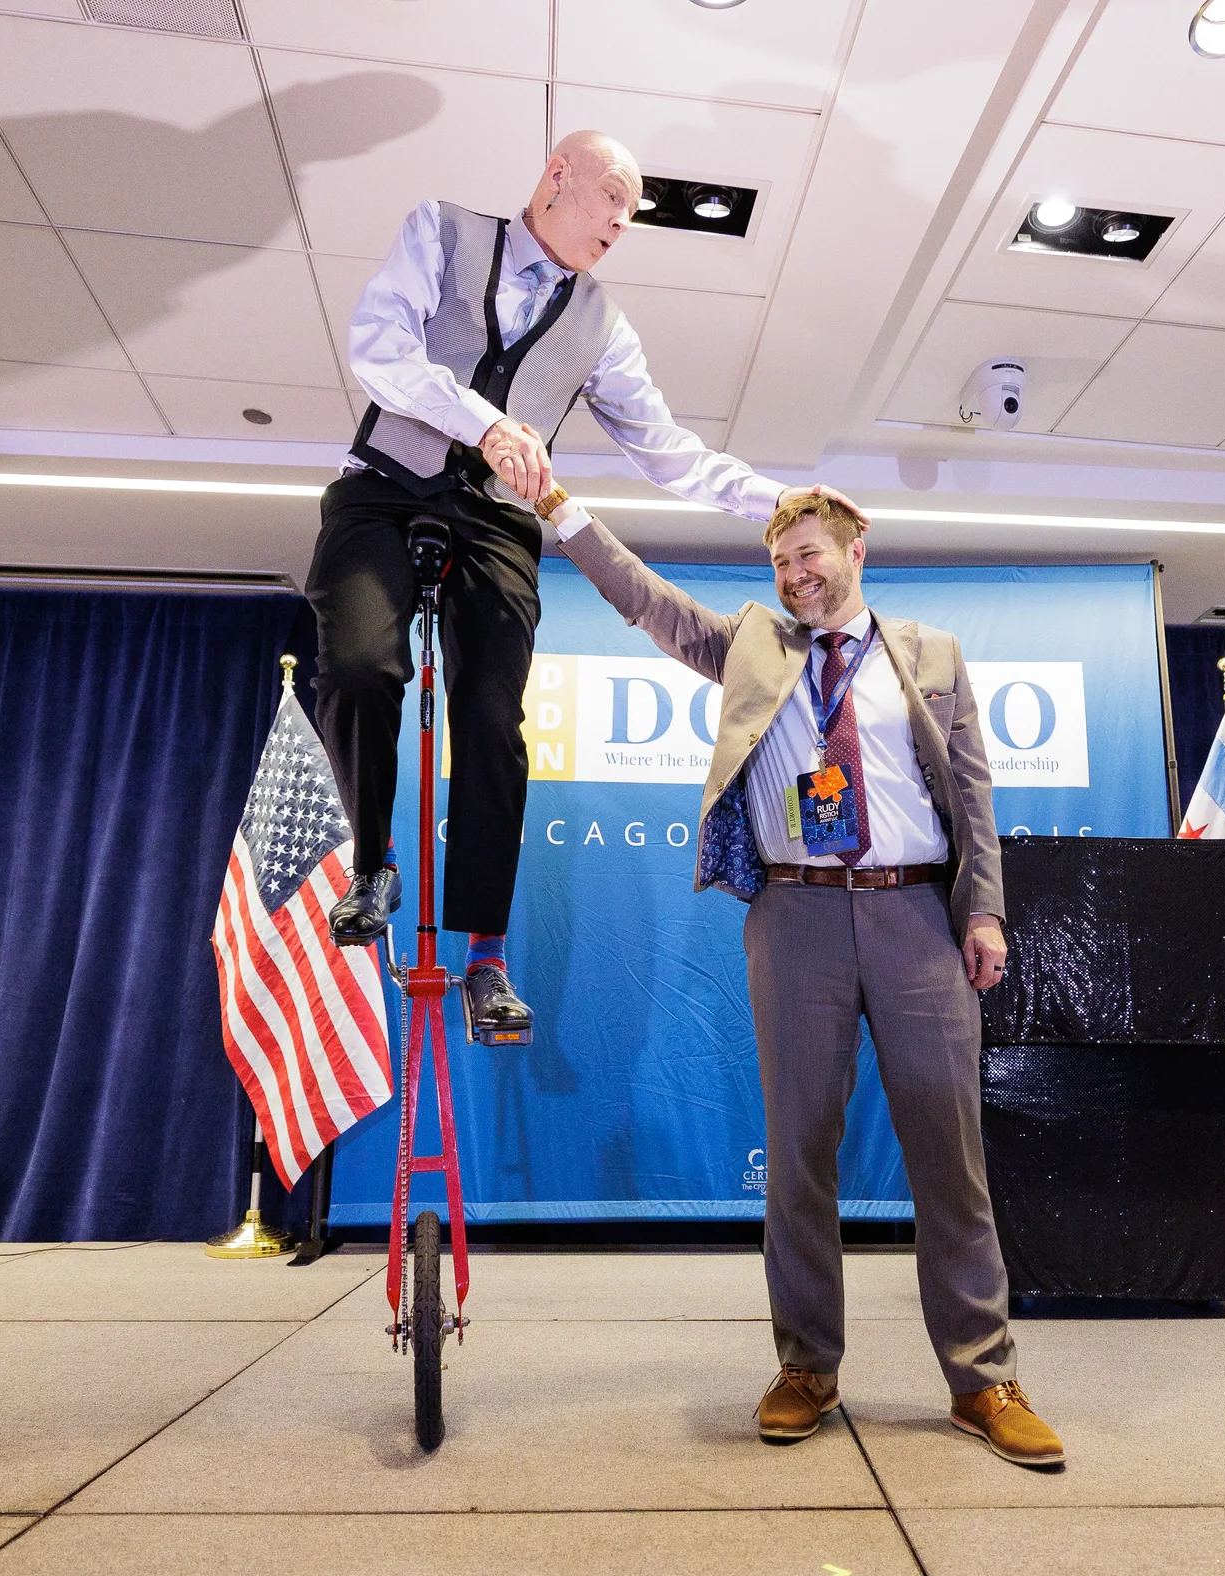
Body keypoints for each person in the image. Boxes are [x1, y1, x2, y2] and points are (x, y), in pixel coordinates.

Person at [521, 475, 1066, 1468]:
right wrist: (564, 511)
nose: (793, 572)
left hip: (915, 915)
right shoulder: (749, 645)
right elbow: (642, 596)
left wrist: (982, 906)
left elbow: (973, 790)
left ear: (856, 548)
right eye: (779, 560)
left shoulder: (932, 653)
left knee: (951, 1154)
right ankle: (806, 1364)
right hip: (796, 915)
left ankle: (982, 1377)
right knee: (798, 1153)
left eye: (809, 552)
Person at [310, 130, 859, 1034]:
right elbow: (377, 346)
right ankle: (373, 860)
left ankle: (486, 952)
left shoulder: (605, 324)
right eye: (612, 195)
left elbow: (667, 452)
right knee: (362, 664)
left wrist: (778, 495)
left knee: (493, 714)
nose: (622, 219)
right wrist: (485, 423)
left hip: (494, 516)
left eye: (632, 210)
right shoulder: (442, 231)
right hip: (382, 486)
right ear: (556, 176)